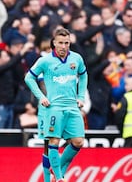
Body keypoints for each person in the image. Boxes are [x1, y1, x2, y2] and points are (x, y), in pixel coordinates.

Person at [25, 28, 88, 182]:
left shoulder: (76, 58)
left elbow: (84, 75)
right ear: (54, 43)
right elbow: (29, 78)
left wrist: (81, 96)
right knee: (52, 141)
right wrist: (41, 97)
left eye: (67, 43)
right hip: (53, 107)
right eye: (60, 42)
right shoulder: (45, 61)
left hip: (72, 106)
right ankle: (58, 178)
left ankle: (56, 168)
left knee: (79, 141)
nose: (64, 46)